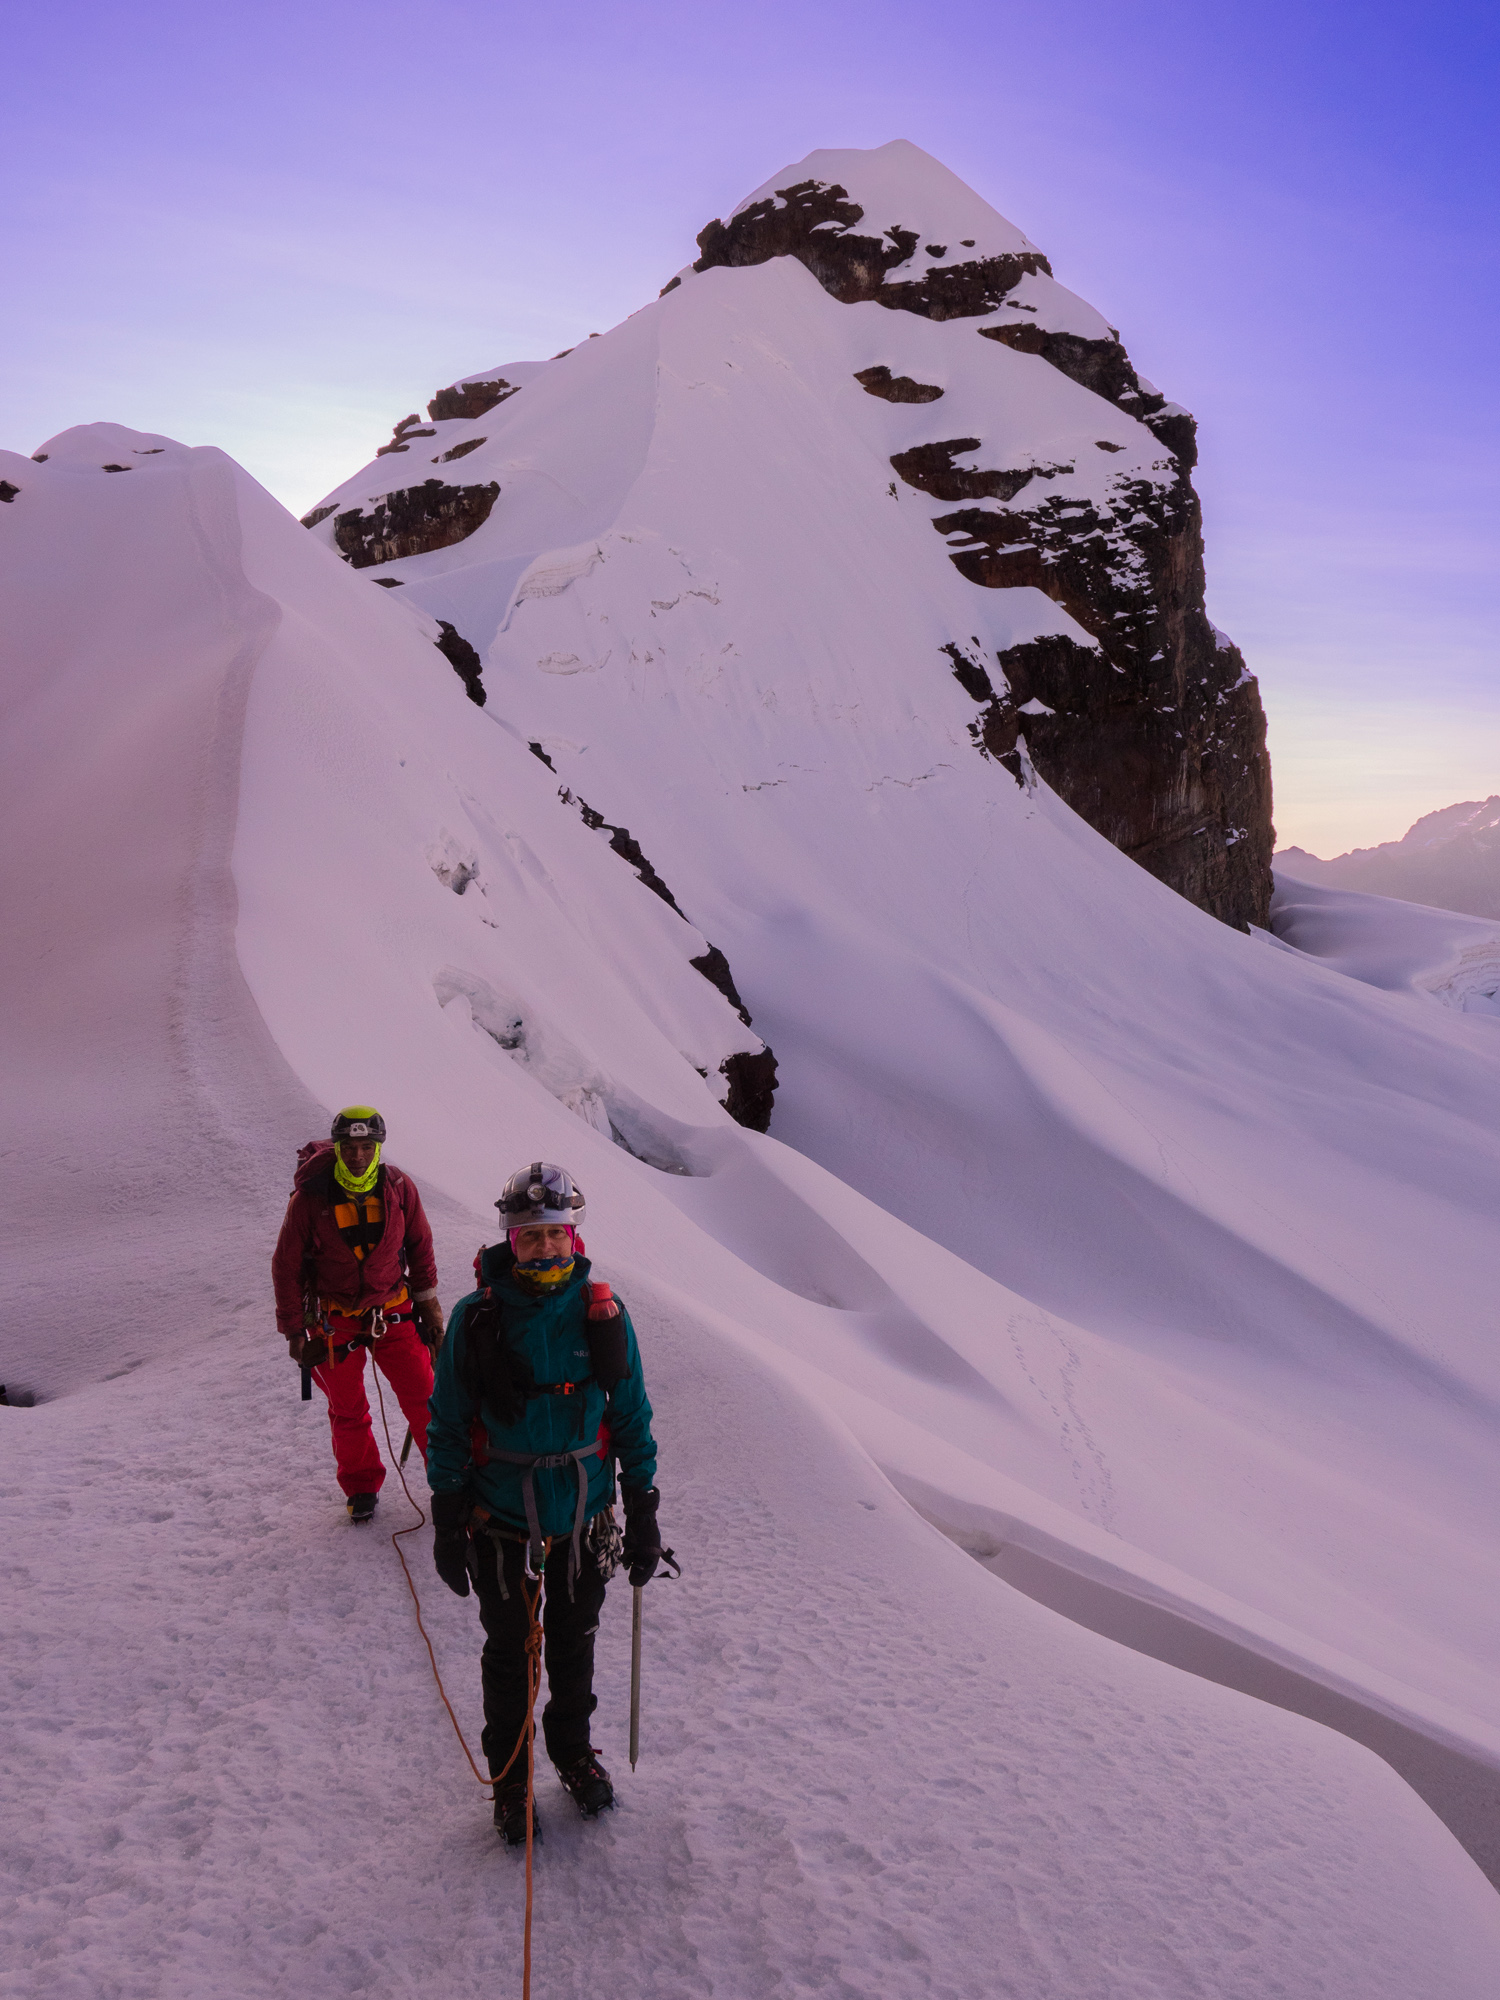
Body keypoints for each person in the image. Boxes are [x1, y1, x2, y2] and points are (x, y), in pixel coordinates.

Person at [426, 1162, 665, 1846]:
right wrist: (448, 1517)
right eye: (531, 1236)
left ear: (574, 1235)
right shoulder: (476, 1319)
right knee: (508, 1651)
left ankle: (571, 1752)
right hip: (498, 1517)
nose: (546, 1248)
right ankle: (511, 1778)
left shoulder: (604, 1315)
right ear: (510, 1238)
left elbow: (631, 1417)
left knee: (574, 1641)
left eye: (556, 1234)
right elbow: (446, 1423)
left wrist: (642, 1507)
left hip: (584, 1518)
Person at [272, 1106, 444, 1521]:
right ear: (338, 1147)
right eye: (350, 1147)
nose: (358, 1156)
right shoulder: (309, 1198)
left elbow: (420, 1247)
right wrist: (294, 1332)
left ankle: (449, 1482)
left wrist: (430, 1311)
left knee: (426, 1399)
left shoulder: (399, 1187)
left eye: (367, 1147)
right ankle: (362, 1485)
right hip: (334, 1318)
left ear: (378, 1147)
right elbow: (287, 1265)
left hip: (393, 1309)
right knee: (348, 1409)